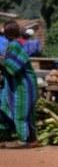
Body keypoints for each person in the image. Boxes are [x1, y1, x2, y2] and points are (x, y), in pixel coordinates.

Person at [0, 20, 38, 148]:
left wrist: (1, 61)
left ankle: (24, 140)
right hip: (20, 84)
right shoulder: (13, 44)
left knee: (21, 110)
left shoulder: (14, 46)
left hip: (23, 84)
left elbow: (13, 67)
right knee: (8, 108)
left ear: (6, 33)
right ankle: (31, 139)